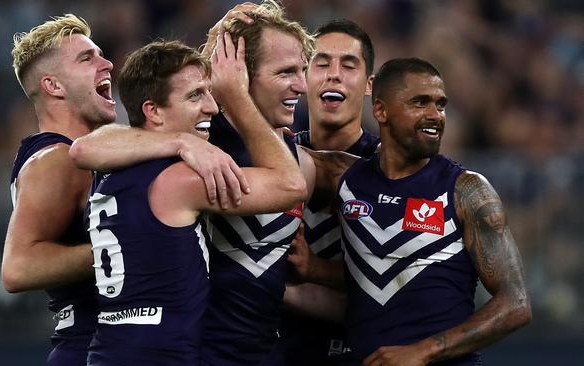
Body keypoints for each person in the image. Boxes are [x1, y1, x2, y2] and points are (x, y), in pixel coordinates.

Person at [70, 2, 319, 364]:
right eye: (285, 72)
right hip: (194, 351)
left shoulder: (174, 146)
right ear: (239, 75)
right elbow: (289, 186)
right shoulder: (192, 151)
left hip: (249, 347)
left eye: (303, 69)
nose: (301, 83)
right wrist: (192, 131)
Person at [3, 14, 248, 365]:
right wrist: (127, 248)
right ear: (53, 86)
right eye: (87, 59)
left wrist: (210, 51)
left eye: (100, 54)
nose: (107, 64)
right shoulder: (56, 159)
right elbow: (19, 268)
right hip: (87, 343)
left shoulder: (92, 149)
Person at [291, 57, 532, 365]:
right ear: (380, 110)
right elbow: (390, 269)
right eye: (420, 103)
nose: (436, 115)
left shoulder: (467, 191)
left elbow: (516, 304)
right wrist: (315, 269)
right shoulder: (345, 179)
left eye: (440, 105)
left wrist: (423, 351)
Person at [279, 19, 379, 366]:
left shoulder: (392, 168)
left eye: (348, 65)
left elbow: (400, 277)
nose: (333, 74)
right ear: (304, 77)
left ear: (369, 86)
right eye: (321, 63)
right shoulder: (272, 154)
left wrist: (315, 268)